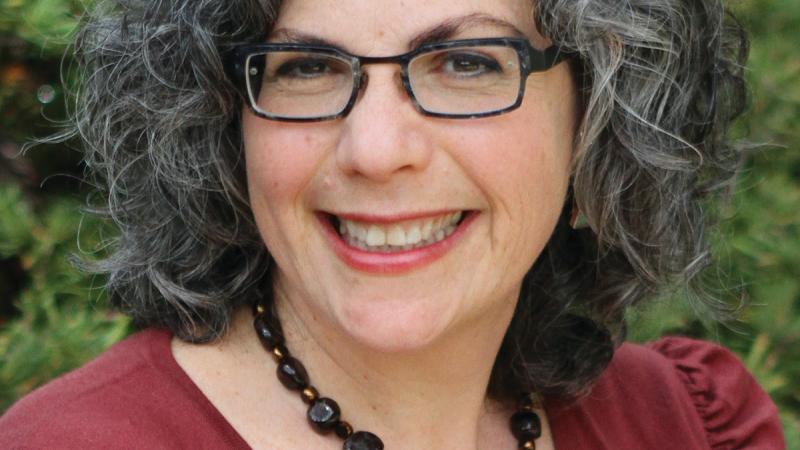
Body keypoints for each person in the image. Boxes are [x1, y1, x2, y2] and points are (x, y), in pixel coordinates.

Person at [0, 0, 786, 448]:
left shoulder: (677, 427)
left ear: (600, 120)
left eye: (469, 63)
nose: (376, 152)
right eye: (307, 68)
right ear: (221, 125)